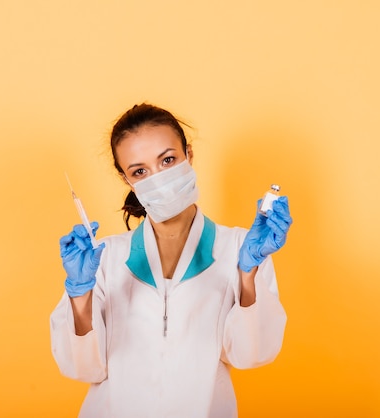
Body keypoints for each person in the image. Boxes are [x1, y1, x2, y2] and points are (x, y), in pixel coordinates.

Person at [50, 103, 292, 418]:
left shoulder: (241, 249)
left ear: (188, 155)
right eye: (140, 171)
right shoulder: (103, 259)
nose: (159, 178)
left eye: (168, 160)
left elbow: (251, 355)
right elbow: (84, 369)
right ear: (127, 180)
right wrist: (80, 294)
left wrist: (248, 275)